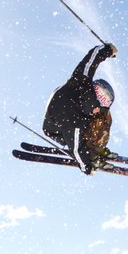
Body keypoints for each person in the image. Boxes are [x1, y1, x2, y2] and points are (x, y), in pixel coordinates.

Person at [43, 42, 117, 174]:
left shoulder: (82, 80)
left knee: (103, 118)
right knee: (86, 134)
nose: (100, 110)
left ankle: (97, 148)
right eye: (102, 105)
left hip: (64, 104)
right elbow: (76, 148)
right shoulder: (74, 123)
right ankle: (93, 154)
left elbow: (90, 60)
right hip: (56, 130)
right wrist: (87, 167)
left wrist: (107, 50)